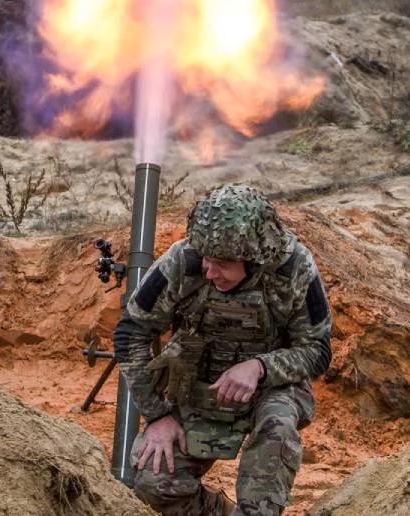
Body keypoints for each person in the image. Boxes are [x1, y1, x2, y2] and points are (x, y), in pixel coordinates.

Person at [113, 183, 332, 516]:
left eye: (223, 265)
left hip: (271, 390)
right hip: (198, 388)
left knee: (278, 428)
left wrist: (260, 367)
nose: (210, 272)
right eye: (207, 261)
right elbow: (131, 333)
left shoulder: (293, 269)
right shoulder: (183, 261)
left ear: (255, 260)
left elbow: (317, 349)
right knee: (154, 485)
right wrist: (158, 415)